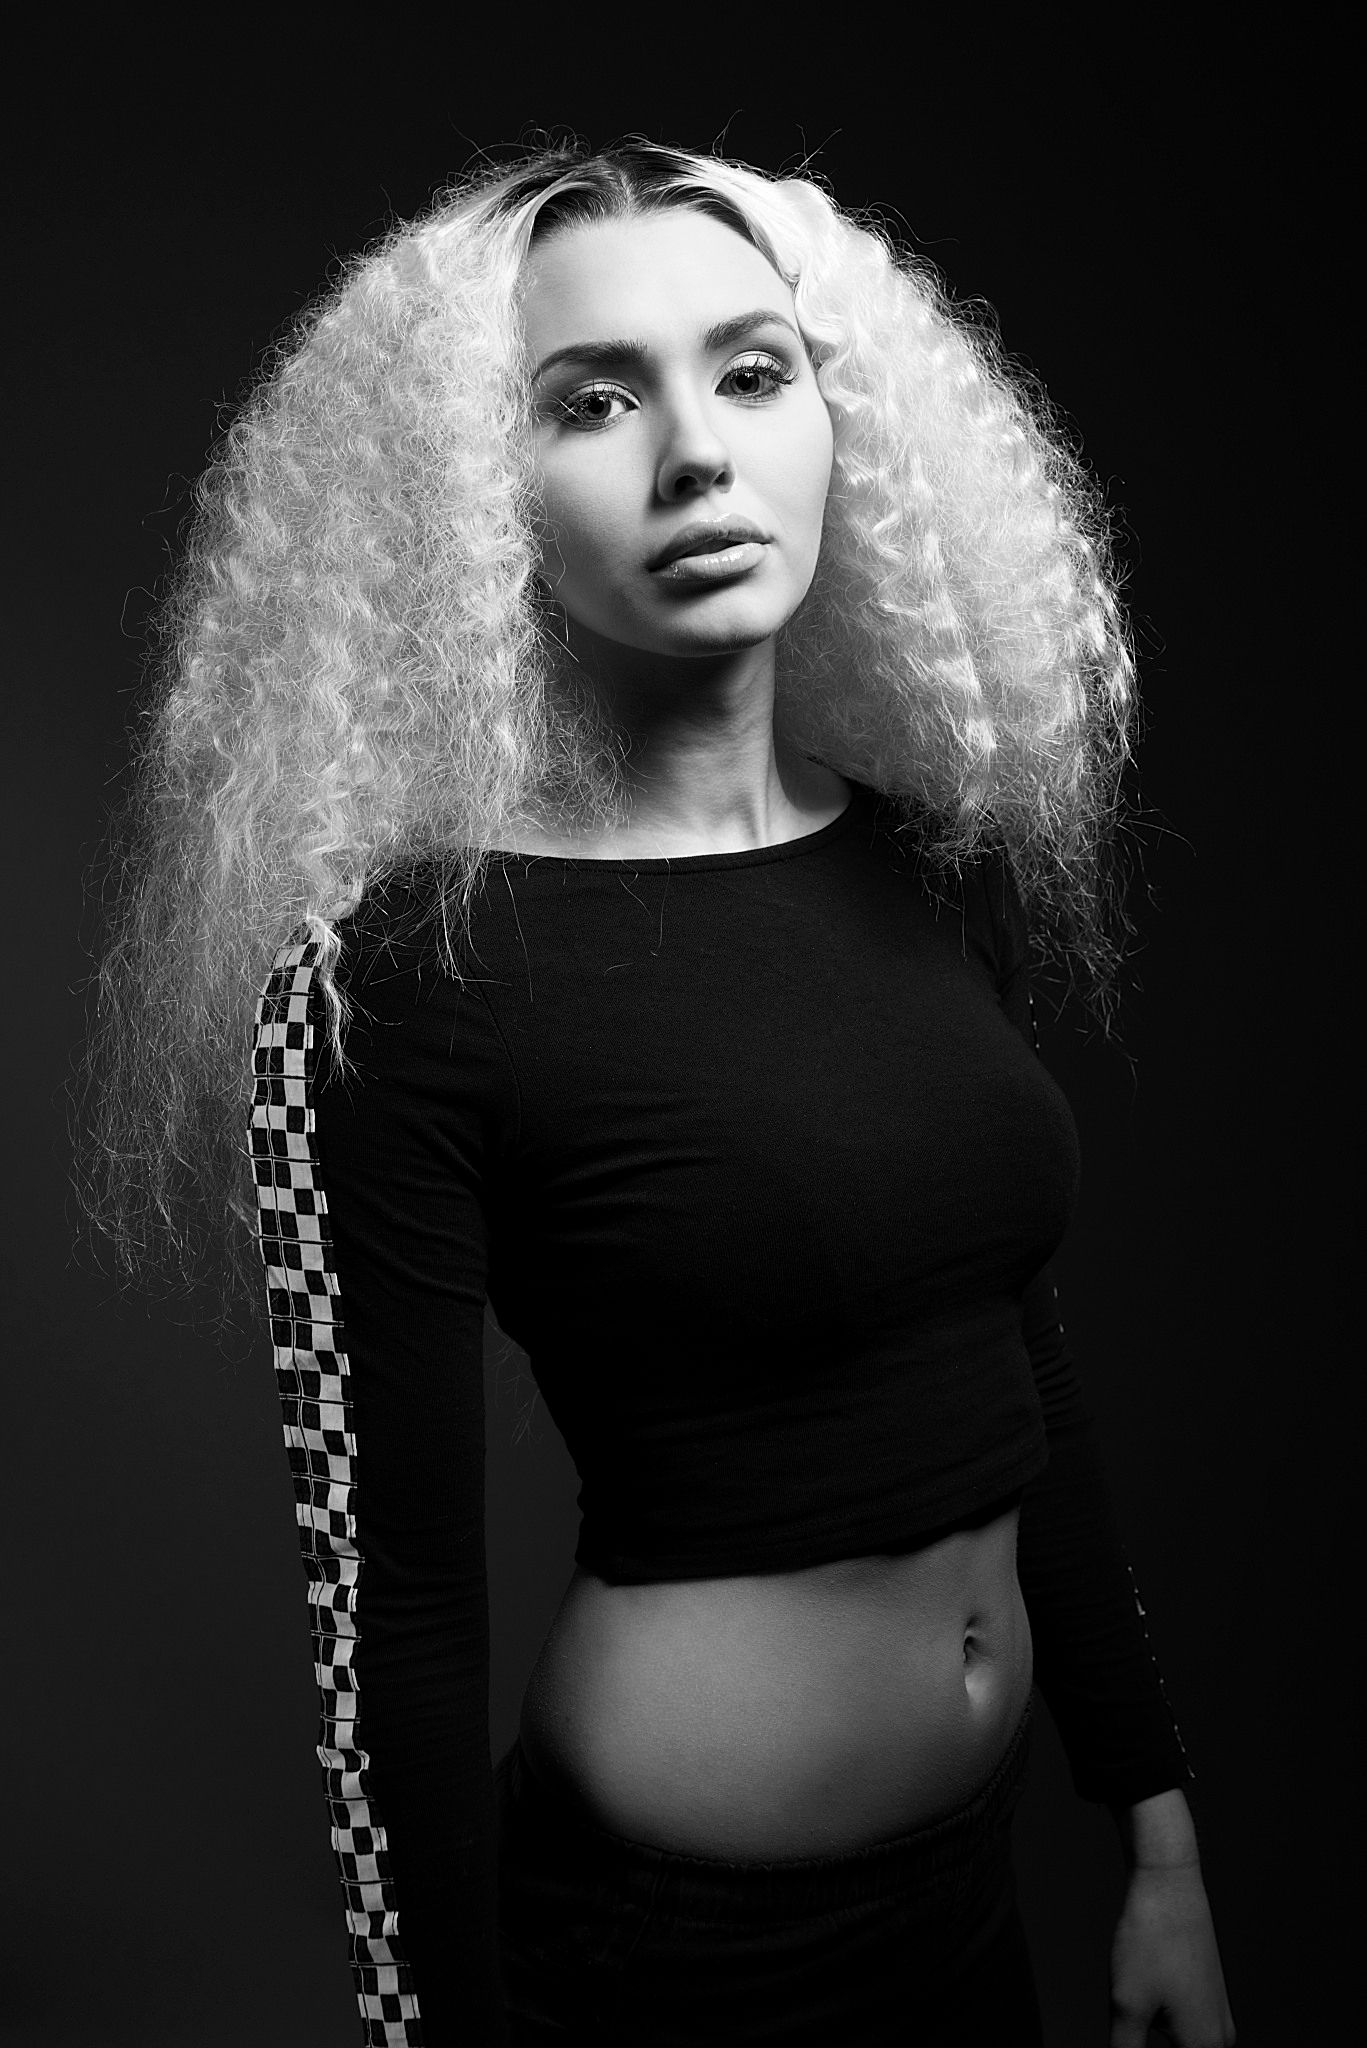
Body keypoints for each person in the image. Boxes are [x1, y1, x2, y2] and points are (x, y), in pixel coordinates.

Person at [80, 136, 1236, 2046]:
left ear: (843, 426)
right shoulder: (396, 983)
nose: (696, 453)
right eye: (594, 401)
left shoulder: (929, 871)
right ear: (476, 495)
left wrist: (1160, 1837)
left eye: (753, 372)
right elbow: (388, 1628)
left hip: (971, 1905)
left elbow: (1013, 1360)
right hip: (671, 1967)